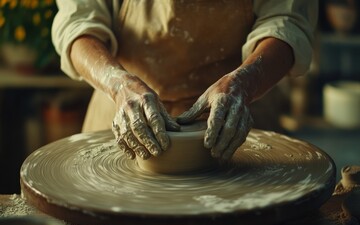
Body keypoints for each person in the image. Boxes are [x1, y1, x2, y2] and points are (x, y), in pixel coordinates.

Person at [52, 0, 318, 161]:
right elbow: (78, 25)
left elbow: (288, 22)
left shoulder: (242, 91)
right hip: (124, 105)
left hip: (239, 109)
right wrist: (119, 84)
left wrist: (244, 83)